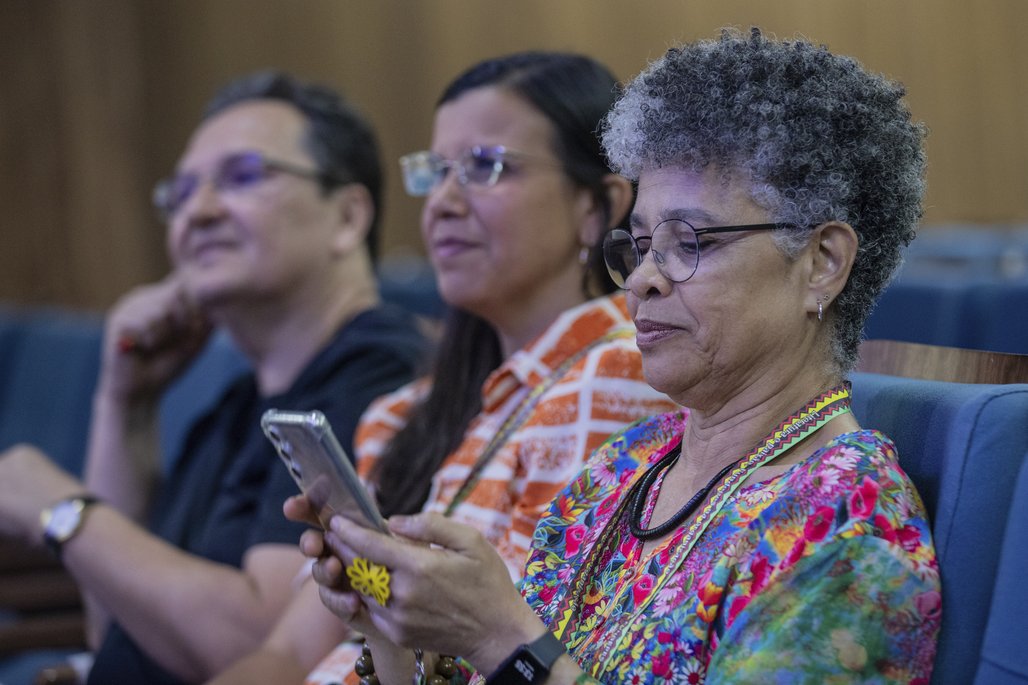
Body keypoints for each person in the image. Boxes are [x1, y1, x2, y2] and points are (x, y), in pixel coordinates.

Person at [298, 28, 941, 684]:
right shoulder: (626, 467)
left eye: (689, 241)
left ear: (822, 263)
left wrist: (500, 636)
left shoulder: (847, 523)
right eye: (639, 244)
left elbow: (515, 658)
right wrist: (396, 630)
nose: (641, 279)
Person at [207, 52, 677, 685]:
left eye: (487, 167)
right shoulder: (405, 410)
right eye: (436, 172)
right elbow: (291, 655)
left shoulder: (617, 376)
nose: (444, 203)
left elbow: (507, 662)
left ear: (597, 207)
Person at [0, 71, 426, 684]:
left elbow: (261, 650)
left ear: (347, 215)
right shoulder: (235, 401)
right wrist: (124, 403)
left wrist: (60, 510)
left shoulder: (379, 374)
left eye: (243, 176)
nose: (196, 213)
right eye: (181, 192)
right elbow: (119, 625)